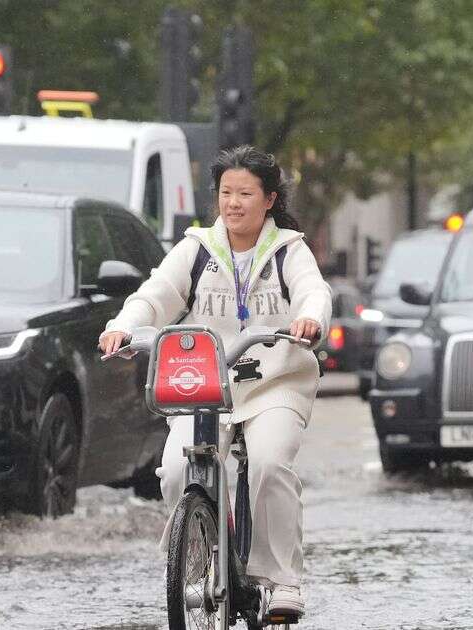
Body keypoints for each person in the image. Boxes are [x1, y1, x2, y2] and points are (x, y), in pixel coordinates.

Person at [99, 145, 331, 616]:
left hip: (275, 380)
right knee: (178, 469)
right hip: (204, 383)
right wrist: (123, 325)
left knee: (267, 465)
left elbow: (314, 292)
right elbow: (156, 293)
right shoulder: (197, 248)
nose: (234, 203)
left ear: (268, 199)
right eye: (226, 192)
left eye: (245, 193)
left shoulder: (289, 250)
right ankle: (201, 543)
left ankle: (281, 580)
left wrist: (309, 320)